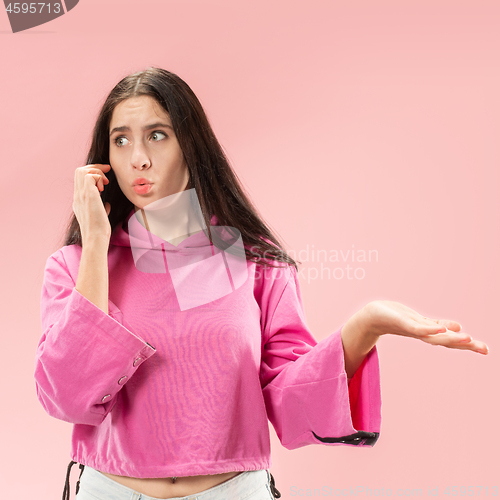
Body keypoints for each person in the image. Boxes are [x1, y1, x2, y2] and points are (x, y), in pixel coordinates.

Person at [34, 67, 489, 500]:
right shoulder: (75, 266)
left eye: (158, 134)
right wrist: (95, 241)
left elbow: (290, 404)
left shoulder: (254, 260)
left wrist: (365, 327)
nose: (139, 158)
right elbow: (69, 397)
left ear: (190, 145)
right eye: (121, 140)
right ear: (105, 158)